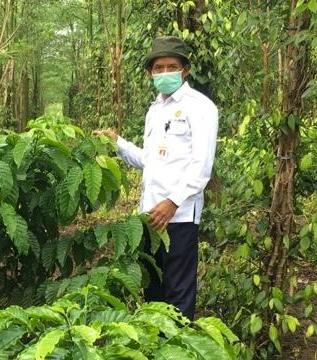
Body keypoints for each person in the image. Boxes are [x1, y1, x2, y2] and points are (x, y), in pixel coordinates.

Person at [94, 36, 218, 320]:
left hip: (180, 217)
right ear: (150, 71)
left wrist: (172, 203)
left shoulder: (201, 108)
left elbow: (201, 167)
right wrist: (118, 144)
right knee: (152, 293)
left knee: (178, 295)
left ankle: (177, 349)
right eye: (158, 67)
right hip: (148, 218)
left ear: (185, 69)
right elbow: (150, 161)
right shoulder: (155, 109)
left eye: (170, 66)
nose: (164, 73)